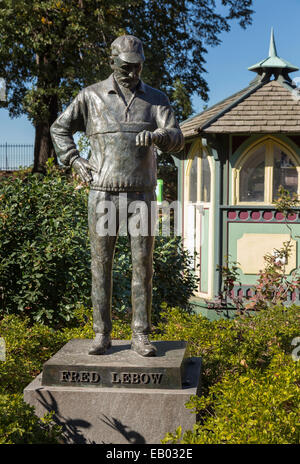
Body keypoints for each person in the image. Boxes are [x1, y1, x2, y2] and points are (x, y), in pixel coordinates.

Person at [50, 35, 184, 356]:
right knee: (101, 265)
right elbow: (59, 128)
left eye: (137, 67)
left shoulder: (156, 99)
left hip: (141, 194)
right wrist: (73, 159)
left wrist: (159, 135)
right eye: (126, 67)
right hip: (103, 193)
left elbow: (178, 137)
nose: (132, 73)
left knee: (143, 266)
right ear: (112, 62)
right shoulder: (91, 96)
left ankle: (140, 334)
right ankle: (101, 334)